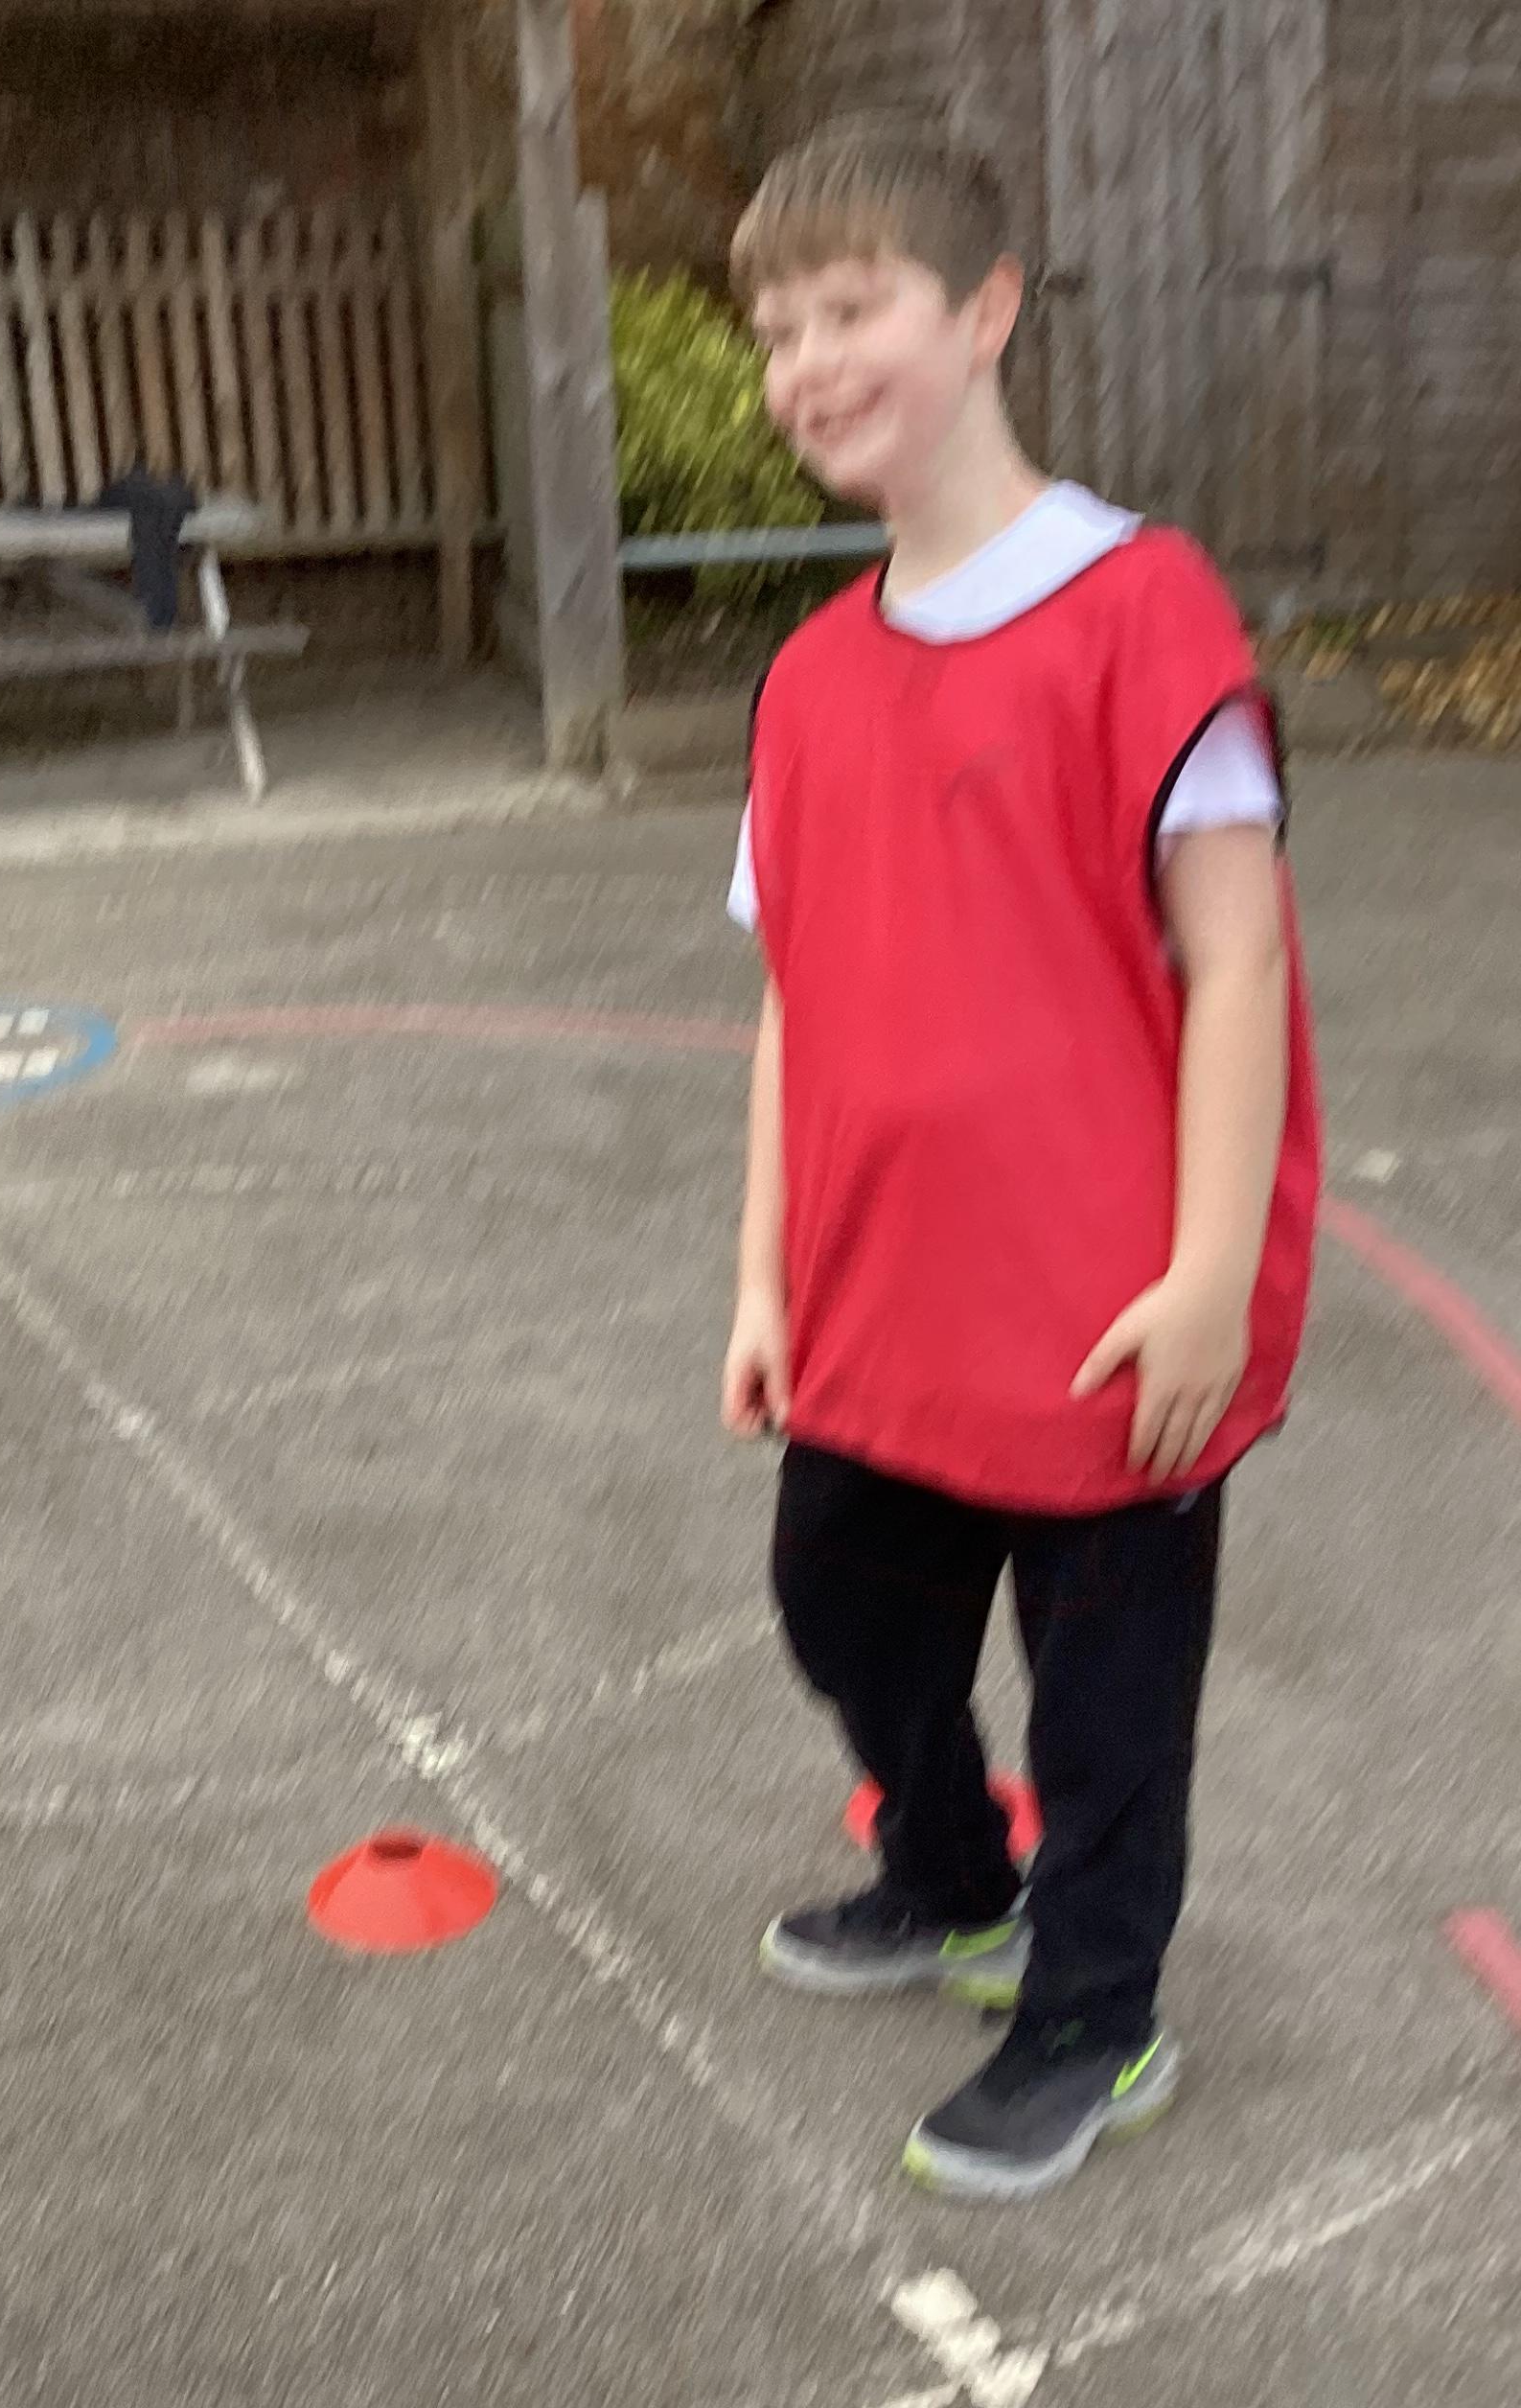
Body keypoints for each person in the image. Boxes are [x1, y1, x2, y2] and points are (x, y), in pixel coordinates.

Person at [721, 114, 1321, 2202]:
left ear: (983, 314)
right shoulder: (809, 677)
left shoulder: (1141, 608)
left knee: (1107, 1705)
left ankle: (1091, 2012)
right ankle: (952, 1874)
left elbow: (1235, 958)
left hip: (1104, 1304)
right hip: (883, 1290)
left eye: (851, 306)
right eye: (775, 329)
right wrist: (762, 1273)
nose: (806, 360)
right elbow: (794, 995)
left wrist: (1210, 1270)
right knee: (837, 1602)